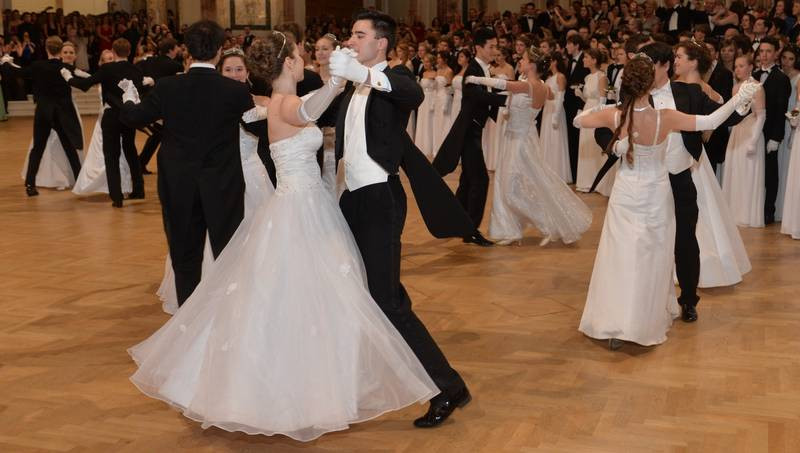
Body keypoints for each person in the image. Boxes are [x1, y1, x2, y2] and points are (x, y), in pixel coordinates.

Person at [128, 31, 438, 441]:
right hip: (301, 209)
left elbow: (300, 112)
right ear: (289, 63)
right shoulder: (288, 104)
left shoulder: (272, 104)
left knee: (310, 296)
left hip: (303, 204)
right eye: (298, 54)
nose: (302, 58)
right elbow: (311, 109)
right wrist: (336, 80)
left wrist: (339, 80)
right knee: (313, 295)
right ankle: (306, 391)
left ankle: (322, 384)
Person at [333, 11, 472, 427]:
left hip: (380, 200)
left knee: (387, 300)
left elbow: (411, 93)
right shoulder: (350, 86)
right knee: (366, 293)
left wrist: (361, 72)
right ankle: (367, 379)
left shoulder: (392, 80)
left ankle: (448, 386)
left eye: (359, 35)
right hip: (350, 200)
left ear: (381, 44)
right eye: (351, 34)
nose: (352, 40)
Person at [576, 55, 758, 349]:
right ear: (650, 80)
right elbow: (712, 121)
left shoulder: (617, 114)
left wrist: (616, 133)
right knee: (651, 256)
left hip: (634, 190)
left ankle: (619, 319)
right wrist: (739, 97)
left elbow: (578, 120)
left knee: (621, 253)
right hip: (655, 192)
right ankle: (642, 318)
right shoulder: (664, 117)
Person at [119, 20, 258, 305]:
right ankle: (228, 313)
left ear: (187, 50)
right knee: (228, 253)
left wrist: (129, 98)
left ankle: (187, 320)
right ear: (220, 51)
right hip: (222, 183)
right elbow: (258, 129)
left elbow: (134, 118)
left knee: (185, 255)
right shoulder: (234, 91)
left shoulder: (168, 87)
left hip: (178, 182)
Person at [157, 47, 275, 314]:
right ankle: (206, 296)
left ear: (248, 73)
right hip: (218, 177)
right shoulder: (208, 102)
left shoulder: (262, 102)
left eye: (239, 69)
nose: (234, 74)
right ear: (219, 71)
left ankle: (250, 292)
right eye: (228, 69)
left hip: (252, 176)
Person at [467, 48, 592, 246]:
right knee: (504, 183)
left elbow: (502, 84)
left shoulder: (529, 85)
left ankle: (547, 224)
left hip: (520, 141)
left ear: (532, 65)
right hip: (514, 137)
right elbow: (548, 95)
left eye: (523, 59)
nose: (520, 61)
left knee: (510, 187)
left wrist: (475, 79)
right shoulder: (538, 85)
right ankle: (510, 230)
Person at [434, 27, 509, 246]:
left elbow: (488, 96)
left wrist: (507, 109)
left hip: (474, 130)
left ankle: (456, 222)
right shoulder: (473, 70)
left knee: (468, 180)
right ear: (479, 47)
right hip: (468, 132)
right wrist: (507, 101)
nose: (495, 50)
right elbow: (477, 95)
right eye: (491, 46)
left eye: (496, 46)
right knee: (479, 179)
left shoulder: (485, 68)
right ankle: (471, 230)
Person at [65, 38, 146, 207]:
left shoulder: (107, 69)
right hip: (129, 115)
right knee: (131, 150)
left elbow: (85, 85)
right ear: (129, 52)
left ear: (114, 52)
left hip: (111, 116)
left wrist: (68, 78)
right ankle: (138, 190)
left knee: (111, 155)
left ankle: (117, 197)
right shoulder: (136, 70)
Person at [1, 36, 83, 196]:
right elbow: (84, 79)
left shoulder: (38, 66)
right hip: (63, 112)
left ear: (46, 49)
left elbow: (17, 72)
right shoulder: (66, 68)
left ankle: (30, 184)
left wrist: (5, 62)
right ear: (60, 51)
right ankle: (79, 179)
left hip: (44, 111)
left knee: (38, 148)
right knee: (69, 148)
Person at [72, 50, 132, 196]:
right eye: (107, 60)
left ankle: (120, 186)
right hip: (104, 119)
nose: (110, 62)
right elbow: (89, 81)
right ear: (101, 63)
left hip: (114, 116)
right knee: (104, 153)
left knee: (119, 153)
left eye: (112, 58)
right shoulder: (102, 75)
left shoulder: (117, 74)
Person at [722, 54, 766, 227]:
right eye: (736, 66)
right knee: (736, 172)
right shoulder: (736, 87)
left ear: (750, 67)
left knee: (748, 173)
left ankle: (747, 215)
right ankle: (733, 213)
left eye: (741, 66)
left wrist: (753, 141)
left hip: (751, 132)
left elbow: (761, 116)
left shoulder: (757, 87)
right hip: (737, 132)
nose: (737, 69)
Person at [755, 37, 792, 225]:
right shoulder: (752, 74)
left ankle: (769, 210)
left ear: (776, 53)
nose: (764, 55)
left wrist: (776, 138)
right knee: (754, 173)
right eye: (761, 51)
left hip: (770, 133)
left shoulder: (781, 78)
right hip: (752, 132)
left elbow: (780, 110)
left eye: (768, 51)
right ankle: (753, 208)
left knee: (770, 173)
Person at [136, 37, 184, 174]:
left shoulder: (148, 61)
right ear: (171, 50)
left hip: (148, 103)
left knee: (158, 135)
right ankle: (150, 164)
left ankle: (141, 163)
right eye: (176, 47)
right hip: (165, 106)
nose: (178, 49)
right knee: (166, 136)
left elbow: (137, 71)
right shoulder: (176, 66)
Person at [540, 51, 571, 183]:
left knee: (556, 139)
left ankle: (558, 172)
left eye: (549, 61)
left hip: (555, 110)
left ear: (555, 62)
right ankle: (546, 171)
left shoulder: (560, 76)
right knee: (547, 138)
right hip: (547, 109)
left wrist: (556, 116)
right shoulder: (548, 78)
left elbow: (561, 96)